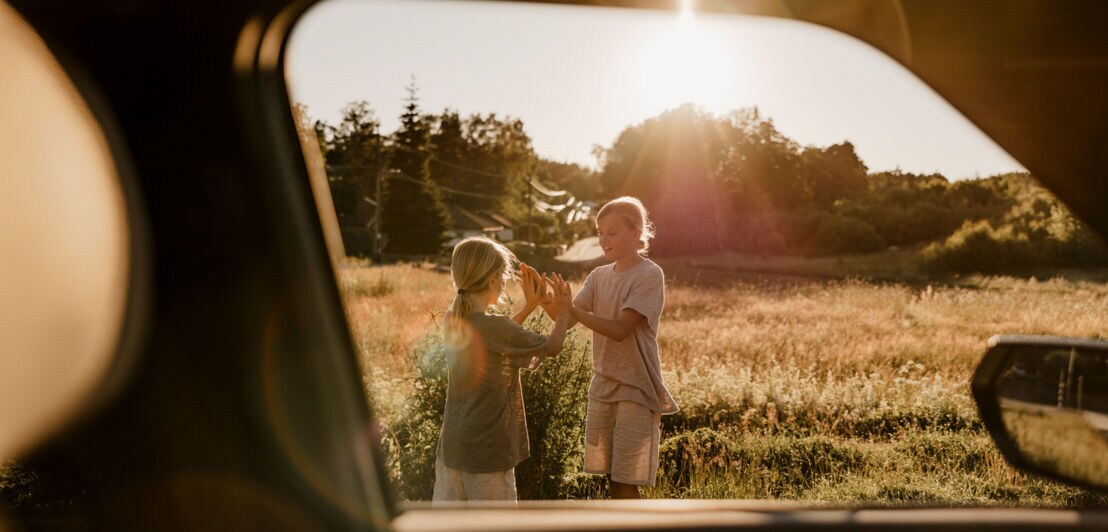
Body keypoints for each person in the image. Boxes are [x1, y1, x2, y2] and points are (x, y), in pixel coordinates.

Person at [551, 196, 678, 499]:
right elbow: (564, 320)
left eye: (612, 232)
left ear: (636, 233)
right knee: (610, 479)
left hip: (636, 387)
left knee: (625, 481)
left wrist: (572, 311)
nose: (603, 240)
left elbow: (621, 329)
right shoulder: (598, 276)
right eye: (600, 232)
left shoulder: (649, 275)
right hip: (603, 387)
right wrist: (546, 301)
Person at [433, 236, 572, 503]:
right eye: (503, 276)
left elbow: (496, 340)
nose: (505, 282)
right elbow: (552, 346)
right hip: (488, 453)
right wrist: (564, 313)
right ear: (492, 279)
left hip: (453, 448)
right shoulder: (497, 327)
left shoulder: (453, 318)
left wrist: (529, 307)